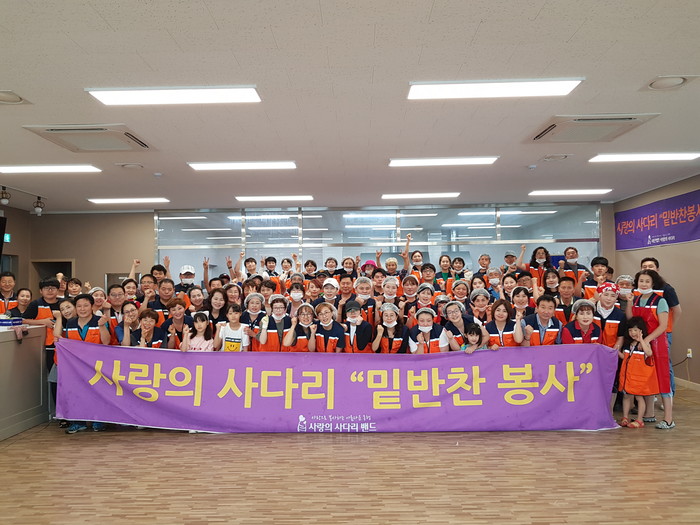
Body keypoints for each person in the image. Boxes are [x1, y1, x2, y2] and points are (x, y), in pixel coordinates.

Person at [625, 270, 674, 429]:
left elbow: (663, 326)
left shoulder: (660, 301)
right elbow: (630, 319)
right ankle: (649, 414)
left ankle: (668, 419)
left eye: (647, 281)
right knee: (646, 377)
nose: (644, 284)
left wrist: (646, 340)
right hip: (641, 344)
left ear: (653, 283)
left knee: (663, 379)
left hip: (657, 344)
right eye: (641, 281)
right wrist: (630, 302)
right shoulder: (636, 299)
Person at [57, 293, 110, 433]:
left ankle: (99, 420)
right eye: (79, 306)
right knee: (77, 393)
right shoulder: (71, 323)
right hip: (77, 367)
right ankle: (78, 422)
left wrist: (102, 326)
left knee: (98, 392)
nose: (82, 309)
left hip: (97, 365)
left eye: (86, 305)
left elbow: (106, 342)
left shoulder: (100, 320)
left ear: (92, 306)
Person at [640, 257, 681, 397]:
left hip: (662, 334)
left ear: (657, 269)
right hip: (645, 334)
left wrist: (668, 327)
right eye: (644, 266)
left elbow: (677, 310)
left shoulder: (666, 288)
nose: (647, 268)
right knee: (647, 363)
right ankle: (652, 393)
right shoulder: (639, 289)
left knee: (664, 365)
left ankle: (669, 395)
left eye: (651, 266)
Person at [618, 317, 659, 429]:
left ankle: (640, 420)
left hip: (638, 378)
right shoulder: (628, 344)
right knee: (626, 396)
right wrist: (615, 352)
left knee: (639, 398)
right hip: (627, 378)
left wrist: (641, 340)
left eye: (635, 330)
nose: (632, 333)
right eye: (630, 330)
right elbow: (625, 357)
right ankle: (625, 417)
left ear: (641, 330)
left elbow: (649, 353)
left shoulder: (644, 344)